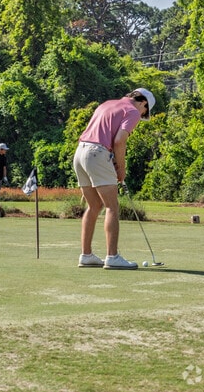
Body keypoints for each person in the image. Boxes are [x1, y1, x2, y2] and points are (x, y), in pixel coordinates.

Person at [73, 88, 155, 270]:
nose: (141, 116)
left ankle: (86, 255)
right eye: (145, 113)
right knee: (112, 206)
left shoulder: (107, 104)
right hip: (98, 153)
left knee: (94, 206)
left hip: (80, 153)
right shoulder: (132, 111)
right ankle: (112, 257)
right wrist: (121, 169)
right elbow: (119, 141)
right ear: (143, 103)